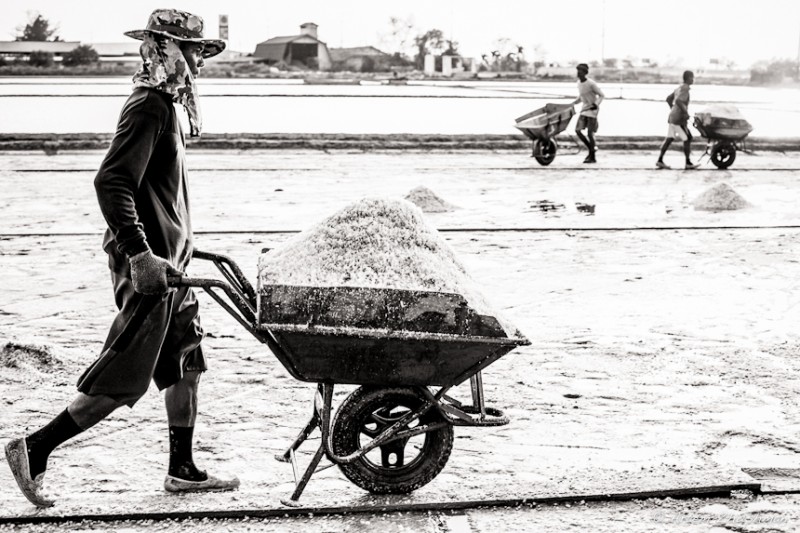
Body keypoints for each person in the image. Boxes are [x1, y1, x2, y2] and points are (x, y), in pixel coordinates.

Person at [4, 9, 239, 508]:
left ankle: (182, 469)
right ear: (166, 49)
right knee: (124, 373)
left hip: (173, 266)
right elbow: (111, 183)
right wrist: (141, 254)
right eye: (193, 50)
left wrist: (183, 247)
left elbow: (159, 193)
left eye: (200, 51)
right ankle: (34, 449)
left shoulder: (168, 107)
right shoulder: (148, 106)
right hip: (151, 268)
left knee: (186, 362)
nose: (199, 60)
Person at [656, 70, 700, 170]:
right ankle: (688, 163)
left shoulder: (679, 88)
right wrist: (685, 112)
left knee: (669, 138)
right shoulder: (685, 88)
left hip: (672, 117)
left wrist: (673, 109)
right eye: (692, 77)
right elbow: (679, 101)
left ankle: (660, 160)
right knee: (688, 138)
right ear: (688, 78)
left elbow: (668, 99)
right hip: (678, 119)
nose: (693, 80)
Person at [571, 63, 605, 164]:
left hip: (592, 110)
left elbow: (601, 95)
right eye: (578, 71)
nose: (579, 73)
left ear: (585, 73)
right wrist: (572, 103)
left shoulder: (591, 84)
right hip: (584, 110)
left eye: (581, 71)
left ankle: (592, 155)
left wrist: (596, 104)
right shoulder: (578, 83)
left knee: (590, 133)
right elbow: (581, 97)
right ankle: (591, 149)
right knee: (577, 130)